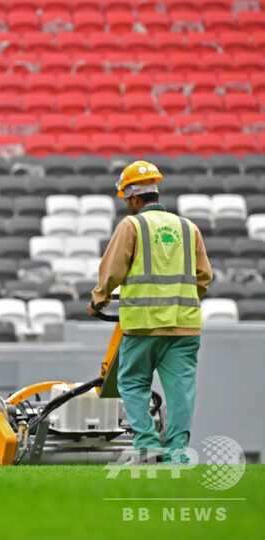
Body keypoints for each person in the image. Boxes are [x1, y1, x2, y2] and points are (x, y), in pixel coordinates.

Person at [87, 160, 213, 464]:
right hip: (184, 328)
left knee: (131, 383)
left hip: (142, 326)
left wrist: (98, 301)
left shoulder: (131, 226)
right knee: (181, 392)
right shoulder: (188, 227)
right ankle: (177, 455)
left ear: (133, 198)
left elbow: (112, 271)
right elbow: (204, 277)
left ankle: (146, 447)